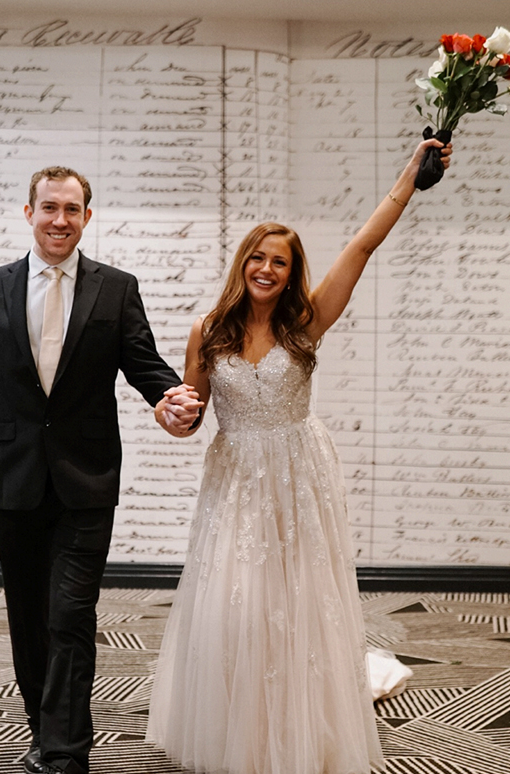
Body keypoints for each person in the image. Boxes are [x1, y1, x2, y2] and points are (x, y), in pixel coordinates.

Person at [0, 166, 201, 774]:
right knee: (29, 621)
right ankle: (41, 724)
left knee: (71, 615)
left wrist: (170, 398)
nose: (60, 220)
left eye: (72, 210)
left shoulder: (117, 288)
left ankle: (64, 750)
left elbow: (144, 364)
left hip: (87, 481)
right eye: (49, 208)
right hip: (14, 482)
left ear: (87, 217)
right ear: (29, 213)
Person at [147, 138, 452, 774]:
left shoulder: (306, 322)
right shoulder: (209, 329)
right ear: (242, 263)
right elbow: (188, 415)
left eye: (279, 262)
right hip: (235, 478)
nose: (265, 269)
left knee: (296, 598)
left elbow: (362, 248)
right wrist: (168, 413)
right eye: (256, 257)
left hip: (298, 474)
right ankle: (240, 720)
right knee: (238, 600)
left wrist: (406, 181)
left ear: (291, 273)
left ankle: (301, 716)